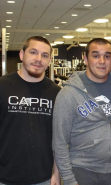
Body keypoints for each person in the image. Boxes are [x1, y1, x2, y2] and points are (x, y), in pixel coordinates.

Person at [52, 38, 111, 185]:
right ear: (85, 59)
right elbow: (59, 142)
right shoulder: (68, 94)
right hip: (82, 171)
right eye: (95, 55)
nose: (102, 61)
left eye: (107, 56)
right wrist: (69, 180)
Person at [0, 36, 61, 185]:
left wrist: (57, 174)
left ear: (49, 60)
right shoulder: (2, 86)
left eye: (44, 55)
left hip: (43, 177)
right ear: (22, 55)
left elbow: (60, 138)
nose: (38, 59)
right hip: (4, 176)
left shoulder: (57, 93)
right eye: (33, 52)